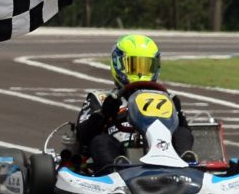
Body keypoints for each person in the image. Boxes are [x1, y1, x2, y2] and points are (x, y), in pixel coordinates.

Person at [75, 33, 194, 174]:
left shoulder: (168, 98)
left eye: (146, 66)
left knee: (182, 133)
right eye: (134, 66)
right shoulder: (101, 98)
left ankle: (185, 165)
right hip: (118, 150)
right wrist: (104, 113)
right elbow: (83, 136)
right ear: (118, 65)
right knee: (100, 141)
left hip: (162, 147)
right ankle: (116, 170)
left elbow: (185, 132)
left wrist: (176, 112)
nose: (140, 72)